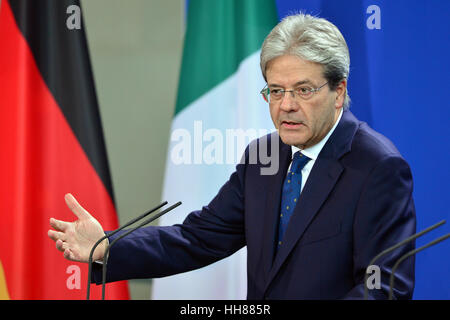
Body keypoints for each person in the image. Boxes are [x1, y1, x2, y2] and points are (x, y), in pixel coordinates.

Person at [48, 13, 416, 299]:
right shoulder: (264, 157)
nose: (286, 105)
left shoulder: (377, 167)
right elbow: (197, 239)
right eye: (275, 91)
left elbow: (384, 288)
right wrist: (106, 246)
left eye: (303, 90)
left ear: (339, 92)